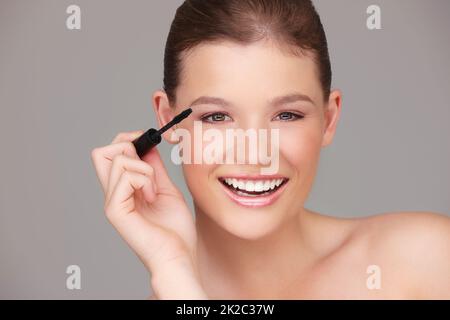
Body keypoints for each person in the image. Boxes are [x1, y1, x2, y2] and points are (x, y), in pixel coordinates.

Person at [91, 0, 450, 299]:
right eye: (217, 116)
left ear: (328, 119)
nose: (254, 154)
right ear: (167, 120)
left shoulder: (428, 261)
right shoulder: (174, 290)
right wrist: (173, 273)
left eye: (286, 115)